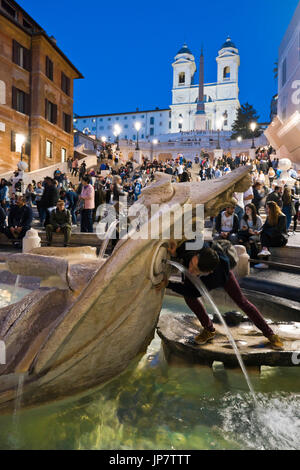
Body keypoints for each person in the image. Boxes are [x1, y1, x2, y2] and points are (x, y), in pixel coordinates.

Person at [156, 241, 284, 350]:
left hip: (224, 275)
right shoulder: (196, 249)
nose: (190, 271)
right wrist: (176, 251)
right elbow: (193, 246)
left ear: (207, 272)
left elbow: (192, 291)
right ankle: (209, 329)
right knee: (189, 298)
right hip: (204, 262)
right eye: (191, 264)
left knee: (242, 302)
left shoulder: (216, 277)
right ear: (197, 255)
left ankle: (270, 334)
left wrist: (169, 284)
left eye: (195, 269)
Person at [255, 201, 288, 269]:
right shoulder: (269, 216)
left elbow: (277, 231)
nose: (266, 210)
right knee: (262, 235)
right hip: (270, 238)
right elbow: (265, 226)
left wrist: (263, 231)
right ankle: (264, 251)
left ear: (272, 208)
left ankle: (264, 261)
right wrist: (259, 231)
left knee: (264, 236)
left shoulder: (282, 216)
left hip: (280, 239)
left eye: (267, 208)